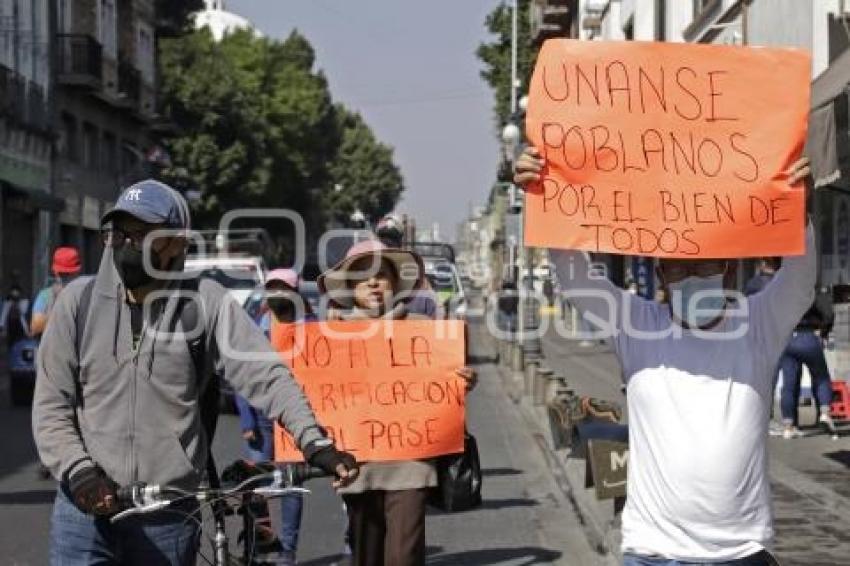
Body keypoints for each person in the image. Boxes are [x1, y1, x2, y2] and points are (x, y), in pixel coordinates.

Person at [32, 179, 358, 566]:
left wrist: (315, 443)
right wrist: (79, 473)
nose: (127, 244)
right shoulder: (77, 303)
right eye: (119, 233)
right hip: (83, 513)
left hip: (170, 515)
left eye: (143, 234)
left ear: (177, 244)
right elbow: (51, 405)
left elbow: (268, 375)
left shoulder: (205, 304)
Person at [515, 145, 814, 565]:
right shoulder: (636, 324)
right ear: (660, 274)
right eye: (676, 266)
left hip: (742, 551)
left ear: (728, 269)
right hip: (652, 551)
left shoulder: (759, 324)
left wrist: (801, 213)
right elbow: (574, 275)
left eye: (703, 265)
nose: (690, 276)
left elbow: (799, 280)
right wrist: (541, 196)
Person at [318, 238, 476, 566]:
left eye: (381, 275)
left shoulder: (425, 330)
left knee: (404, 556)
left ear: (394, 282)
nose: (373, 283)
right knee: (366, 556)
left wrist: (464, 380)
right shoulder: (330, 338)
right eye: (363, 276)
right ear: (349, 286)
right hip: (356, 466)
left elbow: (445, 388)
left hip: (411, 465)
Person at [235, 268, 314, 565]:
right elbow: (242, 375)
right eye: (272, 288)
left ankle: (287, 550)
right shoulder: (256, 328)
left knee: (291, 486)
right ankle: (261, 544)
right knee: (254, 486)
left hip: (295, 419)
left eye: (284, 288)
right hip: (261, 418)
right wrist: (246, 420)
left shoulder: (314, 328)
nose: (278, 294)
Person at [777, 288, 837, 440]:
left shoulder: (783, 291)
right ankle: (824, 413)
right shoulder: (812, 291)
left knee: (789, 385)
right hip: (809, 335)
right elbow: (829, 314)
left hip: (788, 339)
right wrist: (823, 332)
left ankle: (788, 426)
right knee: (821, 377)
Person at [30, 247, 82, 340]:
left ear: (55, 271)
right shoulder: (46, 295)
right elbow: (36, 326)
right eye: (64, 274)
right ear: (77, 271)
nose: (67, 278)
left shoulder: (85, 294)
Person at [0, 283, 30, 348]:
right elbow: (4, 314)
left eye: (16, 293)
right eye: (13, 293)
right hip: (10, 324)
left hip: (20, 325)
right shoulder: (8, 301)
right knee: (10, 342)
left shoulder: (24, 300)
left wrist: (17, 303)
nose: (14, 294)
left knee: (20, 342)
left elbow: (23, 312)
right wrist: (1, 326)